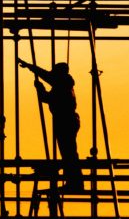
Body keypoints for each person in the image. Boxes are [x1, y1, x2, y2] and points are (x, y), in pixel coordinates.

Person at [17, 58, 82, 192]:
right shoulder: (64, 84)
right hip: (67, 120)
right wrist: (30, 67)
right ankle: (74, 181)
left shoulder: (62, 85)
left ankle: (74, 182)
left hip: (65, 120)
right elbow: (46, 76)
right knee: (69, 152)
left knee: (68, 152)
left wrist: (40, 88)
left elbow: (47, 97)